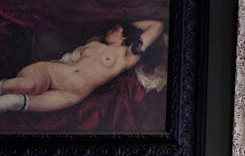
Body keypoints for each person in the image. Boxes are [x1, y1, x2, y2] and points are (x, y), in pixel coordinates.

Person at [0, 17, 164, 114]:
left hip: (72, 93)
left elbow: (157, 26)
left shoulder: (127, 55)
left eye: (114, 29)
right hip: (53, 72)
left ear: (124, 36)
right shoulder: (94, 43)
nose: (109, 31)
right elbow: (66, 59)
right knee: (26, 86)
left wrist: (129, 27)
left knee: (13, 102)